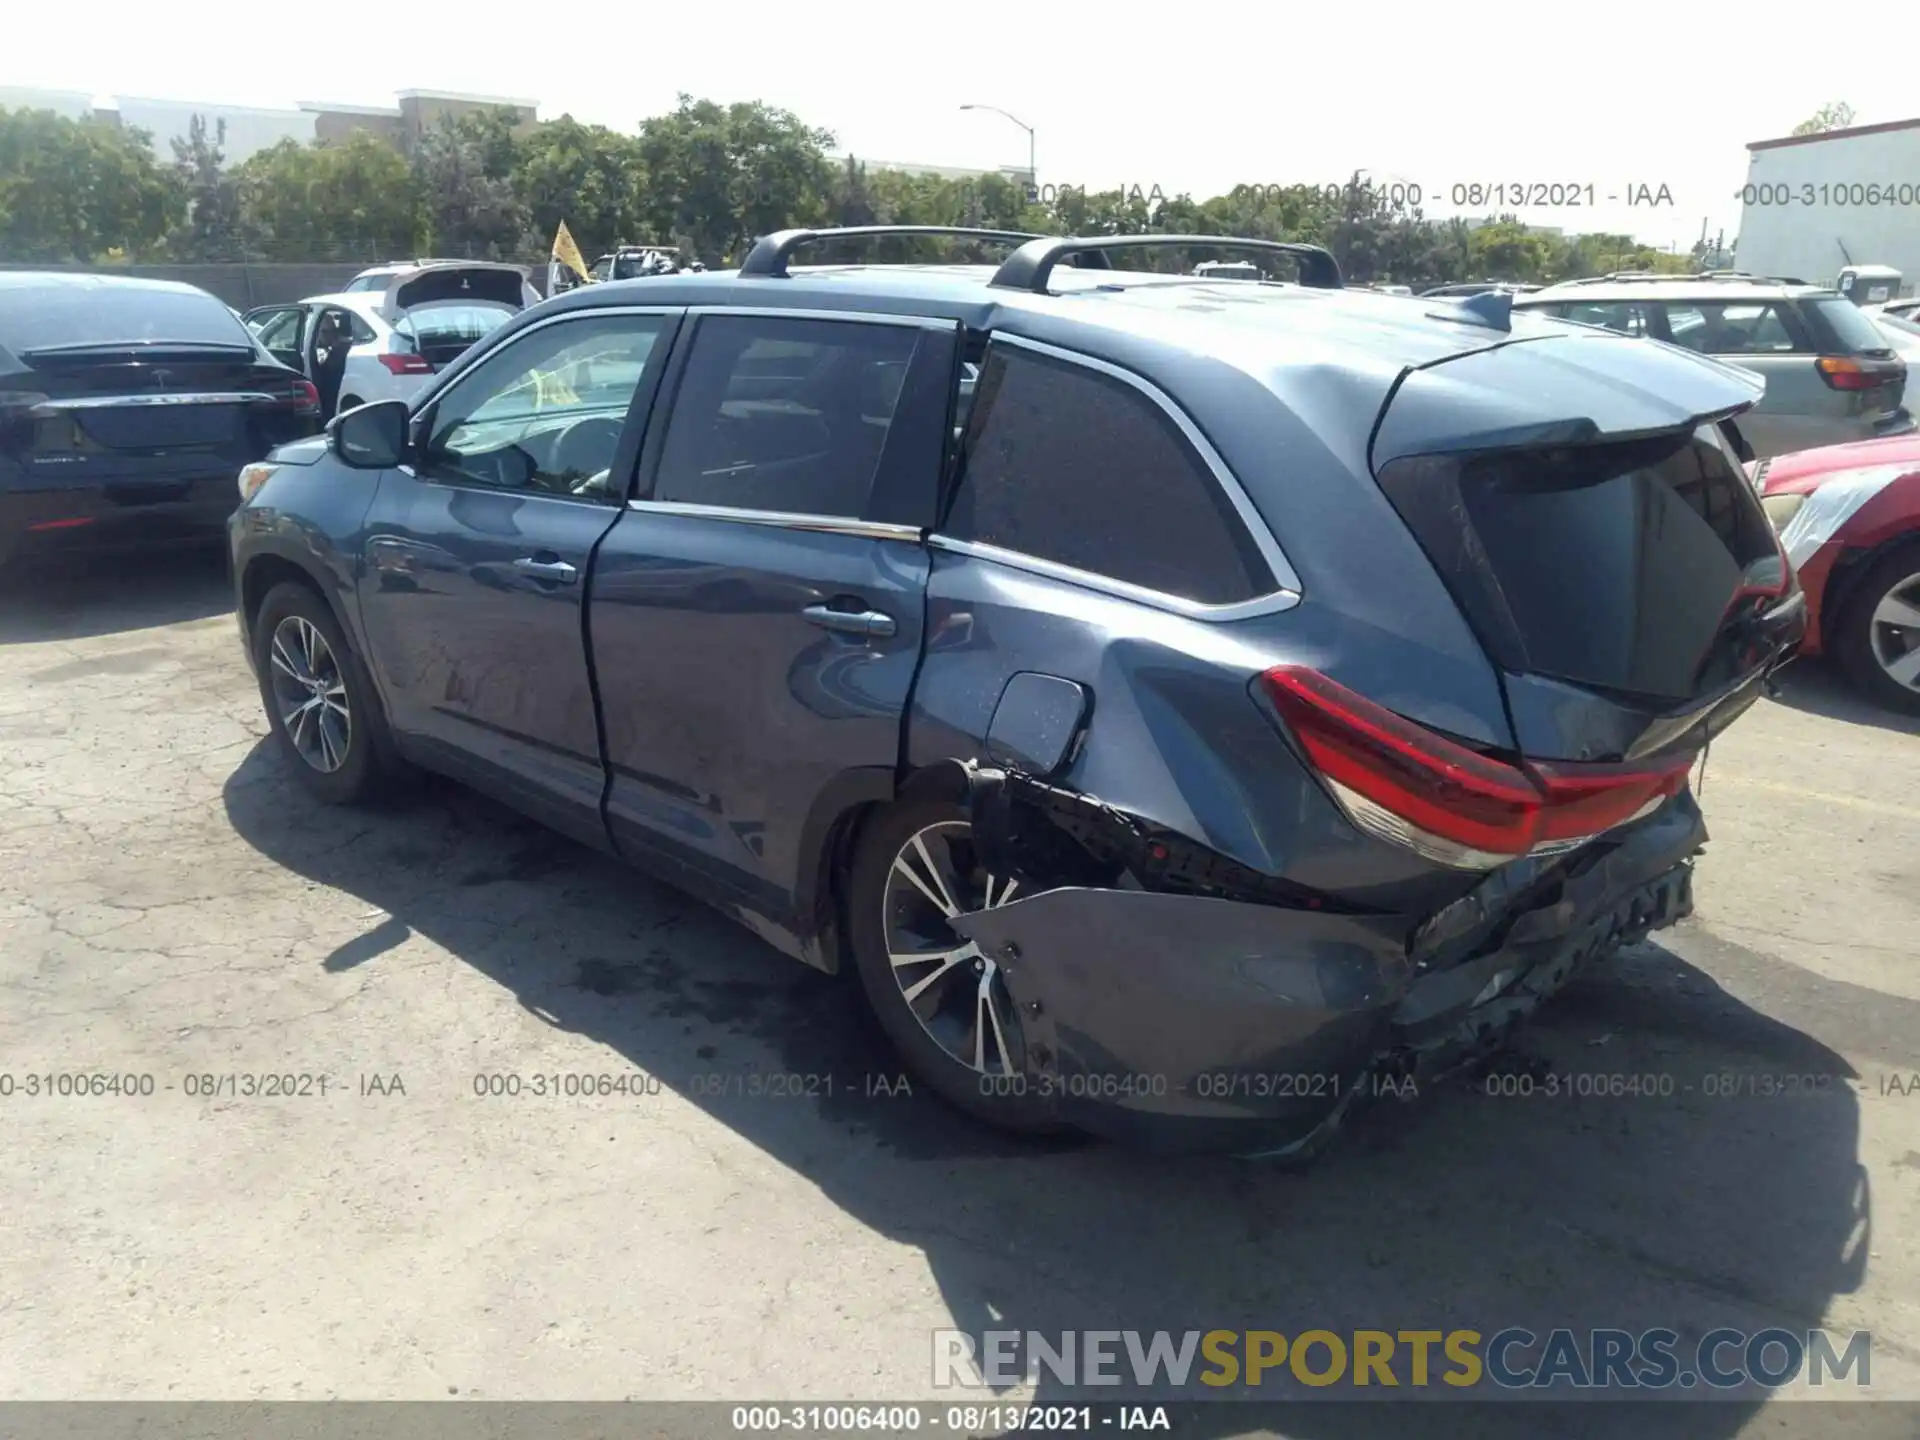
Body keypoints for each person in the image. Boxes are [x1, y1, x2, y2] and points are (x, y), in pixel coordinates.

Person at [311, 312, 350, 420]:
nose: (326, 336)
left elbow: (325, 374)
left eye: (331, 331)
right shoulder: (339, 349)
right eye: (323, 332)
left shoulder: (338, 352)